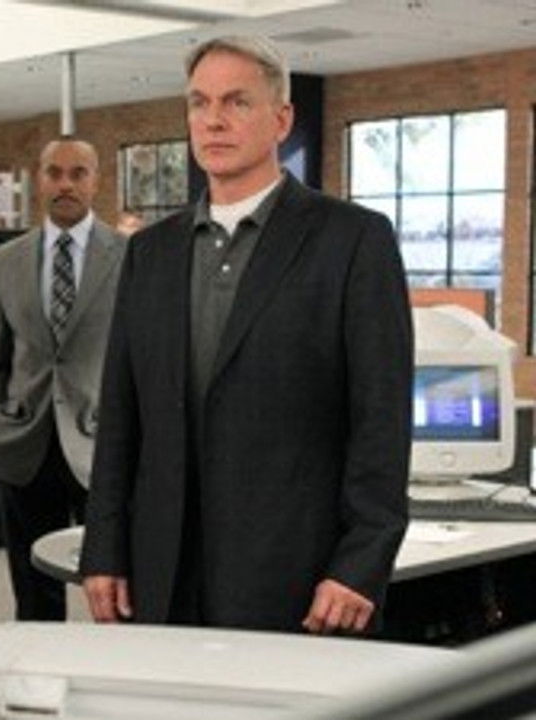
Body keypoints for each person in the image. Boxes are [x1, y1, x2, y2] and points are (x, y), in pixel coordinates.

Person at [79, 35, 412, 635]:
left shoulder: (353, 240)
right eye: (199, 103)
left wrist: (361, 564)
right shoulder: (149, 253)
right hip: (162, 570)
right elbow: (121, 416)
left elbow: (381, 420)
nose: (213, 120)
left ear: (281, 119)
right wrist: (103, 547)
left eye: (236, 102)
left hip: (296, 575)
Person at [0, 137, 127, 621]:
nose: (66, 184)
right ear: (38, 180)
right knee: (34, 595)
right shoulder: (5, 260)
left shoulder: (130, 255)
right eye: (54, 173)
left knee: (117, 591)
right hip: (24, 444)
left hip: (104, 445)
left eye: (78, 173)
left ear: (97, 181)